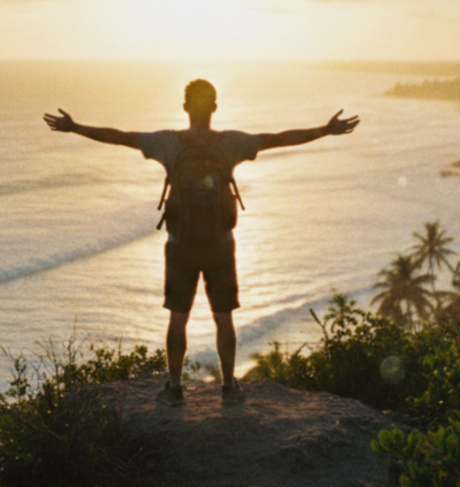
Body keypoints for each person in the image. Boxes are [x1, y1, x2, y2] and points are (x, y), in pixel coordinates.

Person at [43, 79, 358, 406]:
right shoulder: (231, 143)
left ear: (185, 107)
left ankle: (175, 387)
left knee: (178, 317)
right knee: (224, 317)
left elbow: (120, 136)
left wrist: (75, 127)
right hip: (220, 244)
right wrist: (325, 130)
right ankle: (228, 387)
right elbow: (278, 139)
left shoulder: (167, 142)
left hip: (180, 244)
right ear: (215, 108)